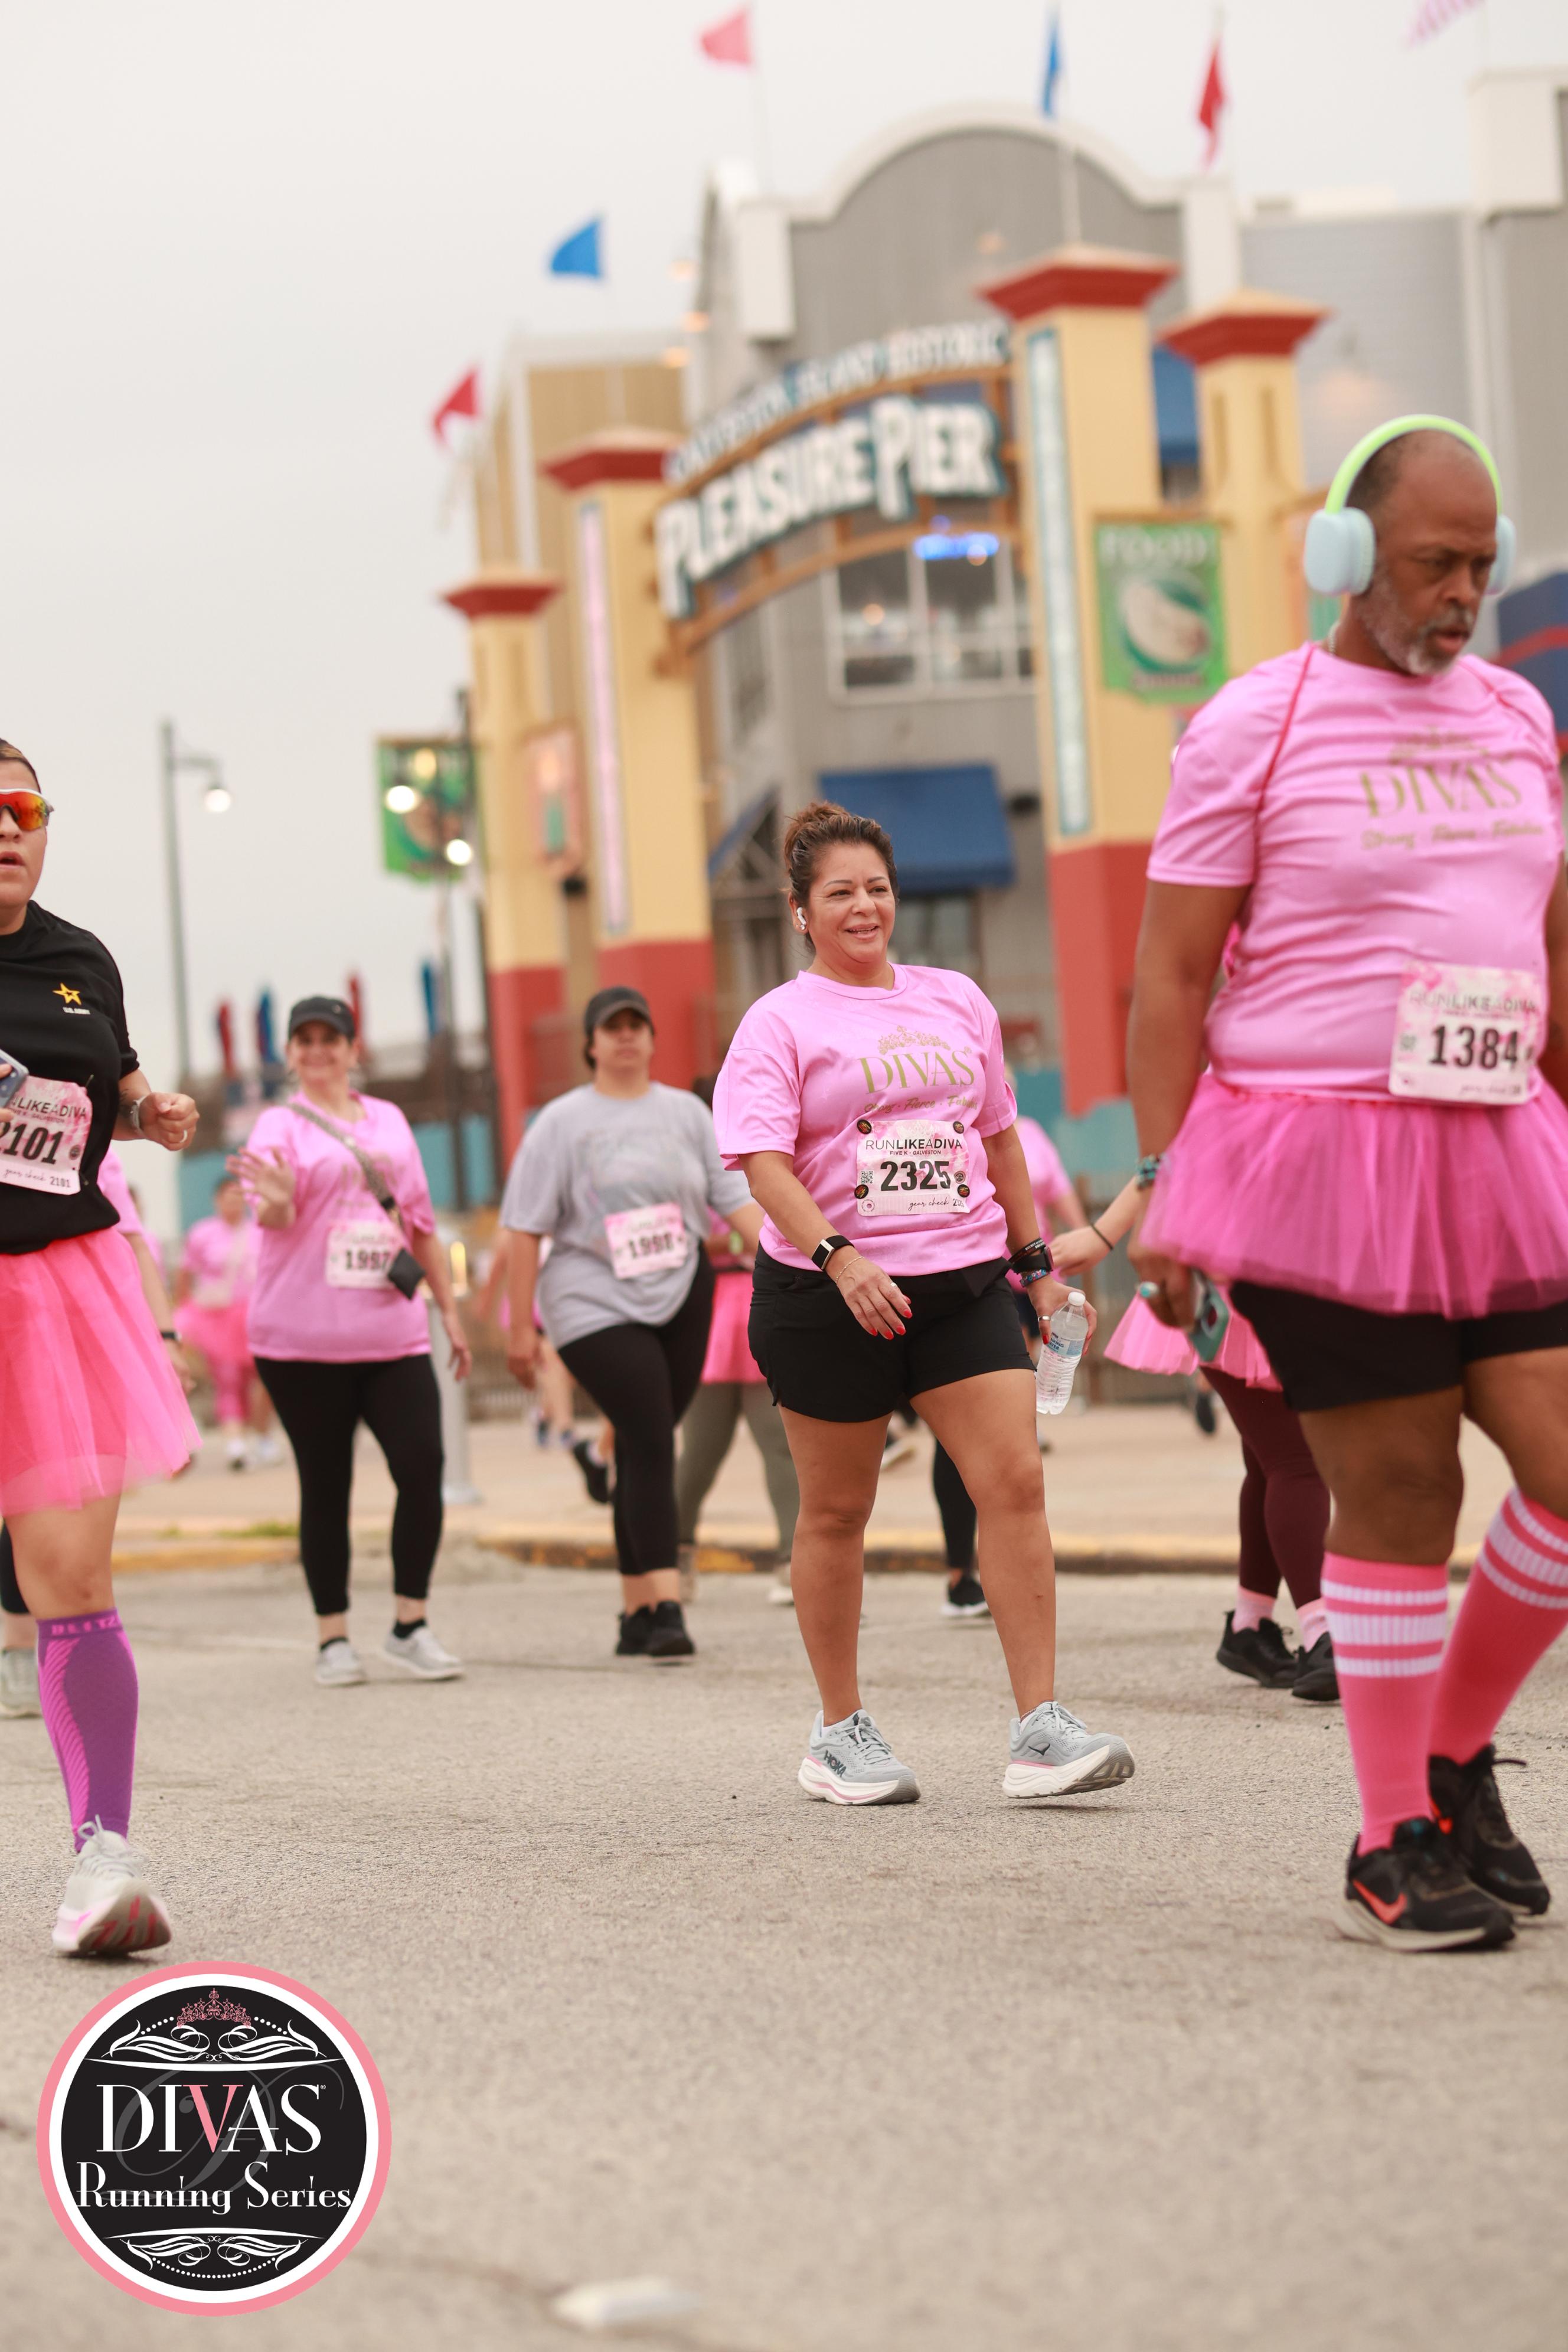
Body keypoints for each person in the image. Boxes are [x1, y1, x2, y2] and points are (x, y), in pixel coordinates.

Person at [1126, 419, 1567, 1951]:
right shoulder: (1254, 726)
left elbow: (1548, 948)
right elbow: (1170, 976)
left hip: (1501, 1144)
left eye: (1481, 564)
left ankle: (1449, 1755)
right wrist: (1161, 1186)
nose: (1462, 593)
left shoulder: (1514, 715)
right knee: (1400, 1490)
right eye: (1435, 562)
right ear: (1344, 555)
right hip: (1318, 1158)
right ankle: (1391, 1843)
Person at [714, 799, 1135, 1805]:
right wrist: (839, 1256)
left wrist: (1037, 1267)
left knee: (1015, 1484)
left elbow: (998, 1139)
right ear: (801, 910)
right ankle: (838, 1732)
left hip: (963, 1284)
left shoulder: (956, 999)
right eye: (840, 893)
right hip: (829, 1296)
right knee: (837, 1510)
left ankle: (1040, 1728)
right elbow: (761, 1161)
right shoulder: (779, 1021)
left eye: (877, 888)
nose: (864, 906)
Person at [0, 741, 200, 1953]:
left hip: (56, 1293)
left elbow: (113, 1083)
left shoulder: (79, 959)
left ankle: (102, 1860)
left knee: (71, 1582)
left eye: (23, 804)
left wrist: (148, 1109)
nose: (6, 825)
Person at [501, 986, 762, 1661]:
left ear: (651, 1038)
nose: (624, 1036)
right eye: (611, 1027)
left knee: (644, 1446)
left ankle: (635, 1611)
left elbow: (734, 1198)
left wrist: (810, 1255)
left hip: (682, 1289)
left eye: (636, 1025)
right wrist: (521, 1328)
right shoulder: (561, 1123)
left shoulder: (686, 1113)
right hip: (590, 1299)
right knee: (650, 1436)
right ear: (589, 1043)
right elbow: (524, 1228)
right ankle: (668, 1606)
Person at [231, 995, 471, 1688]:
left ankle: (410, 1625)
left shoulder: (389, 1120)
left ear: (351, 1048)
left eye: (329, 1038)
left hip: (392, 1330)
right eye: (304, 1040)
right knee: (326, 1482)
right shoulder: (276, 1125)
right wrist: (280, 1197)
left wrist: (449, 1313)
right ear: (289, 1053)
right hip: (301, 1339)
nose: (318, 1051)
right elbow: (270, 1215)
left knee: (422, 1466)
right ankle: (332, 1637)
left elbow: (419, 1224)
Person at [1055, 1180, 1336, 1699]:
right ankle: (1324, 1637)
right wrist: (1103, 1234)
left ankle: (1251, 1626)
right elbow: (1165, 1158)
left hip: (1279, 1261)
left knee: (1271, 1458)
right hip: (1236, 1272)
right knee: (1297, 1461)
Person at [0, 1146, 198, 1721]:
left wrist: (165, 1339)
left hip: (58, 1337)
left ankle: (20, 1642)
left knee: (45, 1496)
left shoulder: (83, 1132)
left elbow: (130, 1238)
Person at [934, 1103, 1090, 1620]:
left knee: (1009, 1458)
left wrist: (1086, 1237)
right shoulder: (934, 1121)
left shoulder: (1030, 1133)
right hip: (968, 1275)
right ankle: (960, 1570)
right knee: (958, 1432)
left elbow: (1058, 1190)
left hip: (1028, 1276)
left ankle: (995, 1581)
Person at [675, 1208, 800, 1606]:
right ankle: (676, 1555)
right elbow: (676, 1243)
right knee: (700, 1453)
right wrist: (735, 1240)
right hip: (708, 1315)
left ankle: (794, 1562)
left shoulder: (775, 1176)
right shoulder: (696, 1182)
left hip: (765, 1307)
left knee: (780, 1446)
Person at [175, 1172, 274, 1470]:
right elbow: (185, 1276)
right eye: (226, 1198)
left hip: (256, 1316)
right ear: (216, 1200)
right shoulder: (202, 1234)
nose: (232, 1204)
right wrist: (184, 1316)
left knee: (264, 1379)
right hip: (217, 1318)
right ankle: (236, 1443)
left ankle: (262, 1435)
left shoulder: (259, 1232)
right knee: (228, 1379)